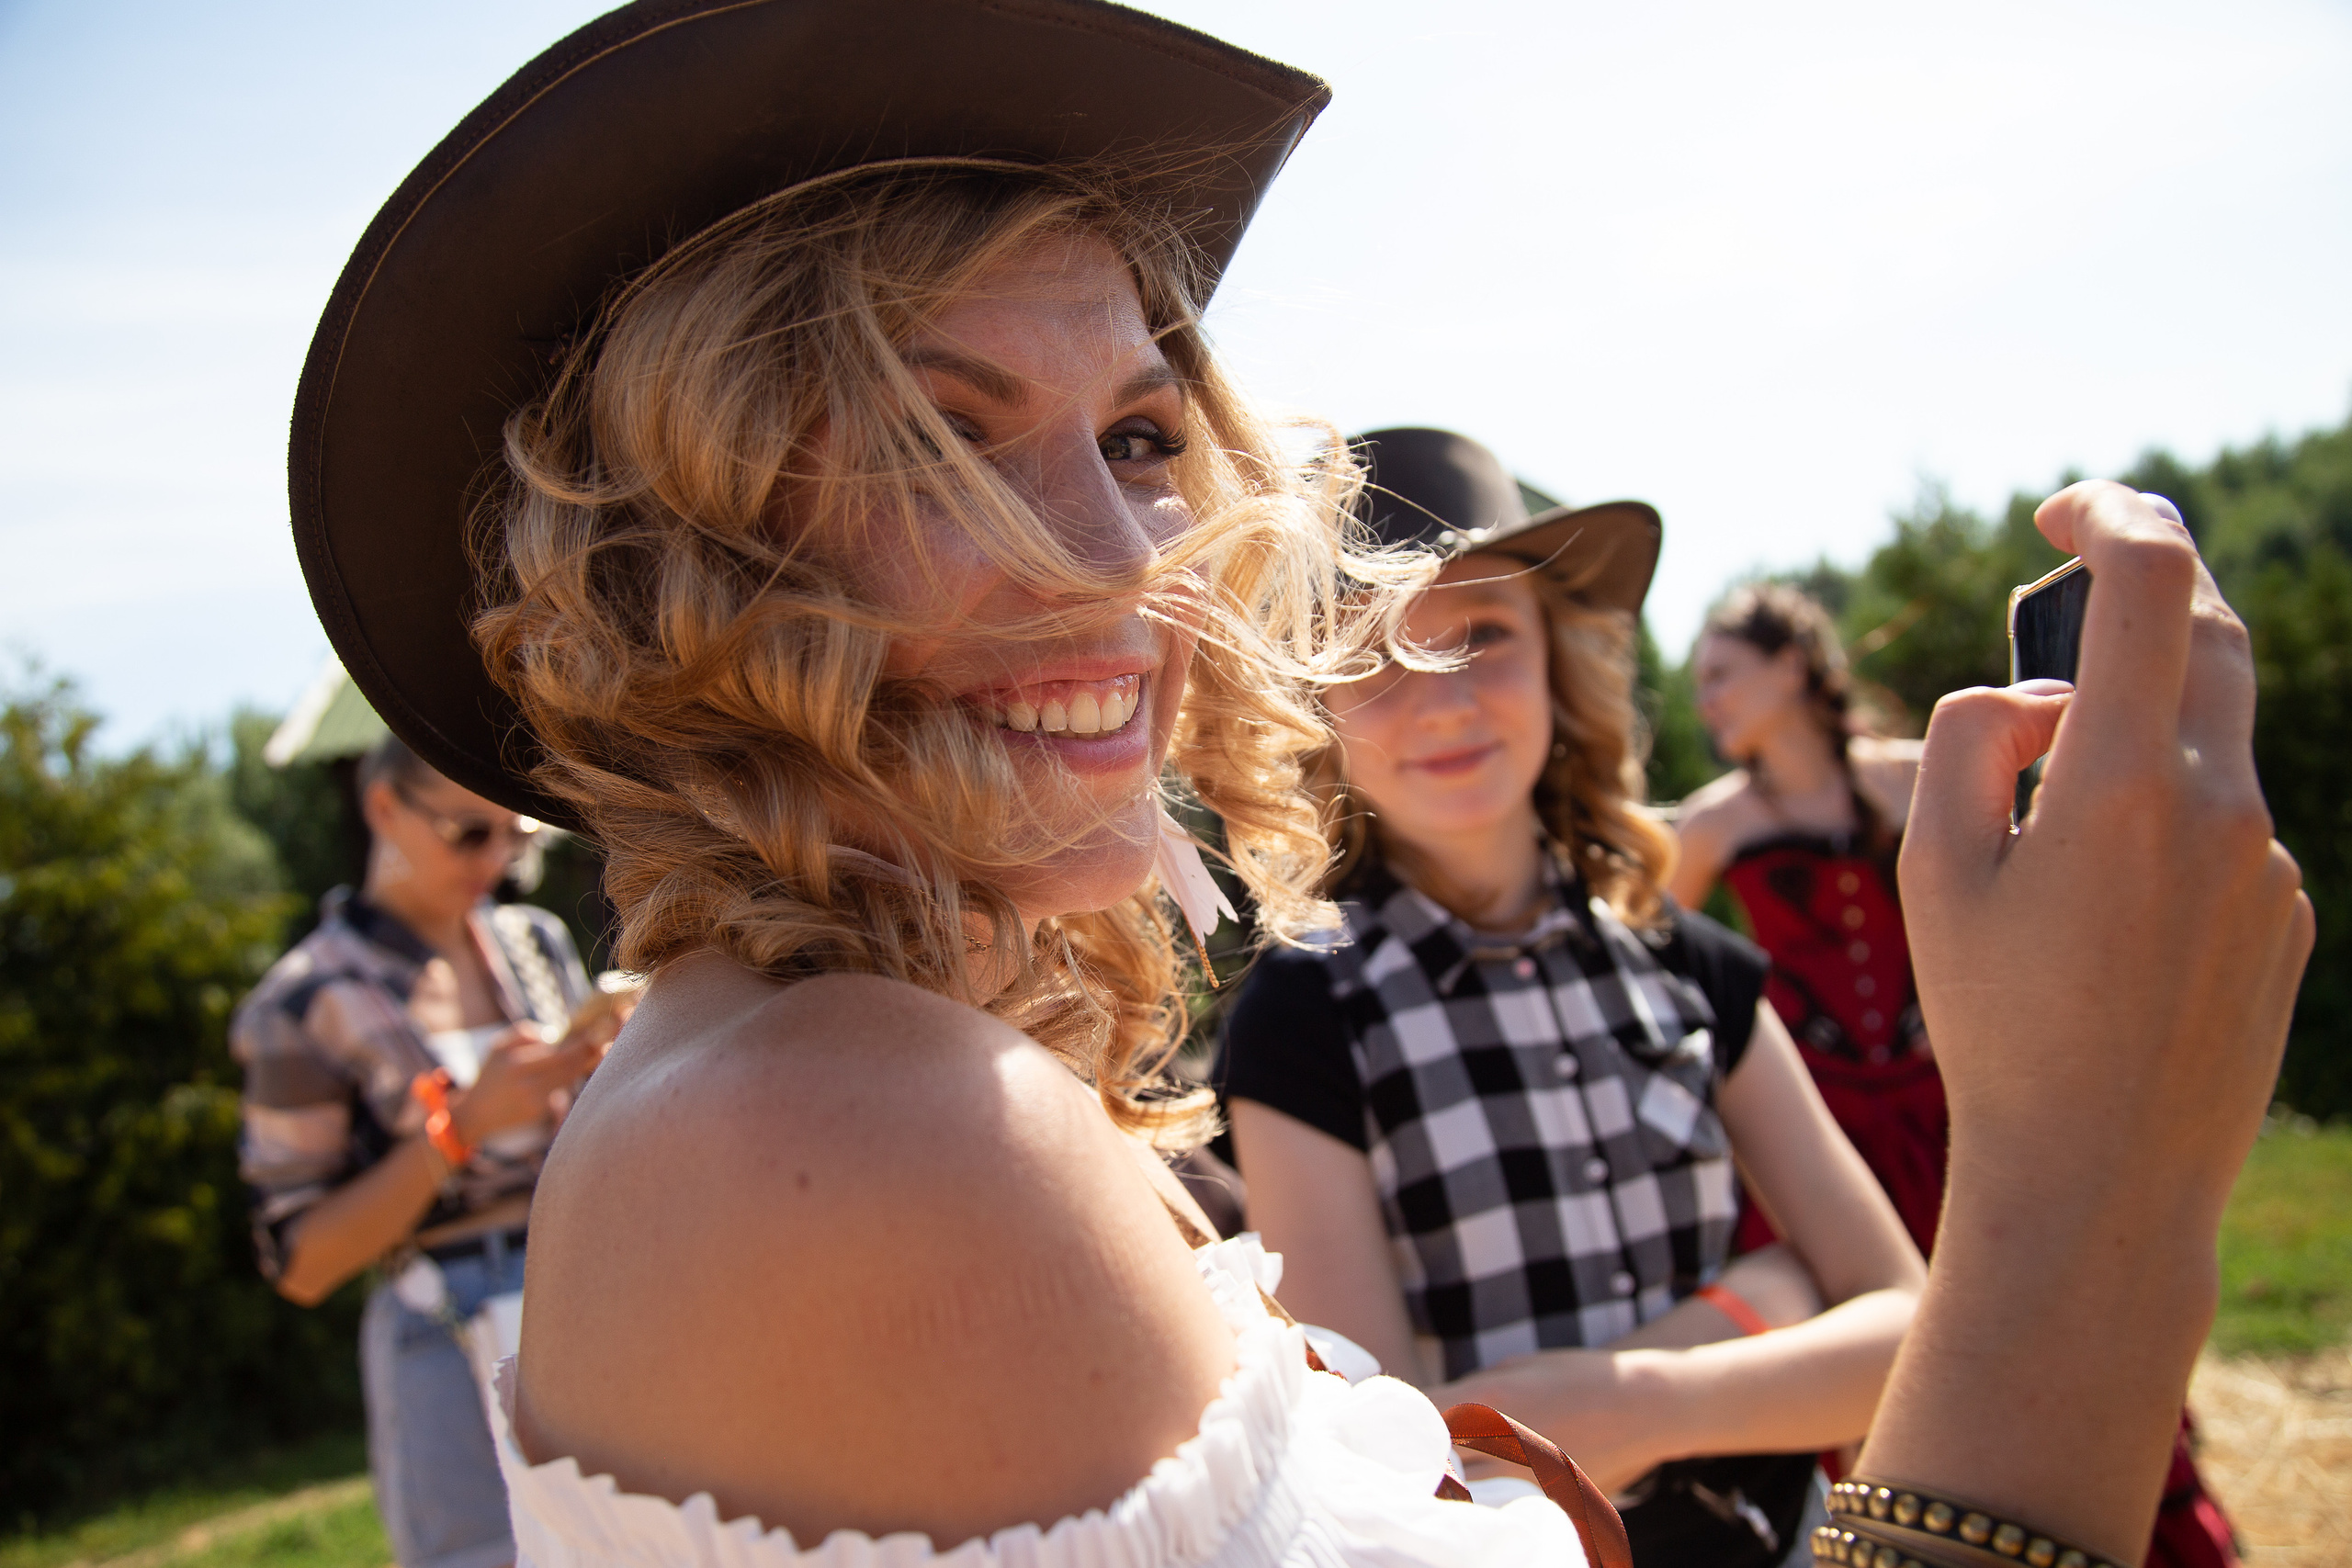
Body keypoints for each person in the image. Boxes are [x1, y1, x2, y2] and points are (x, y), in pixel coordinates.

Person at [286, 3, 2313, 1566]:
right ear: (676, 572)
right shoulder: (868, 1124)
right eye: (937, 443)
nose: (1114, 554)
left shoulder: (829, 1081)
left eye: (1146, 436)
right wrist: (2095, 1177)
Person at [1219, 429, 1925, 1567]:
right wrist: (1767, 1304)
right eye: (1380, 652)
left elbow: (1905, 1335)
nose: (1442, 698)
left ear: (1558, 662)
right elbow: (1391, 1460)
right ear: (1317, 707)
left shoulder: (1694, 968)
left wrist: (1639, 1398)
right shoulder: (1304, 1017)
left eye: (1484, 636)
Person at [1668, 587, 2243, 1567]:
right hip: (1824, 1136)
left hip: (1954, 1109)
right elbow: (1664, 967)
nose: (1705, 701)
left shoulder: (1916, 780)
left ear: (1792, 667)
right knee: (1867, 1364)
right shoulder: (1712, 825)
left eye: (1720, 674)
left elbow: (2034, 905)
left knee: (2040, 1312)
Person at [232, 738, 616, 1568]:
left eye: (515, 837)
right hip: (441, 1320)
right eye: (466, 834)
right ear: (382, 808)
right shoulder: (303, 1002)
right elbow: (301, 1260)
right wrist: (457, 1132)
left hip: (583, 1286)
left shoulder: (535, 944)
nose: (498, 860)